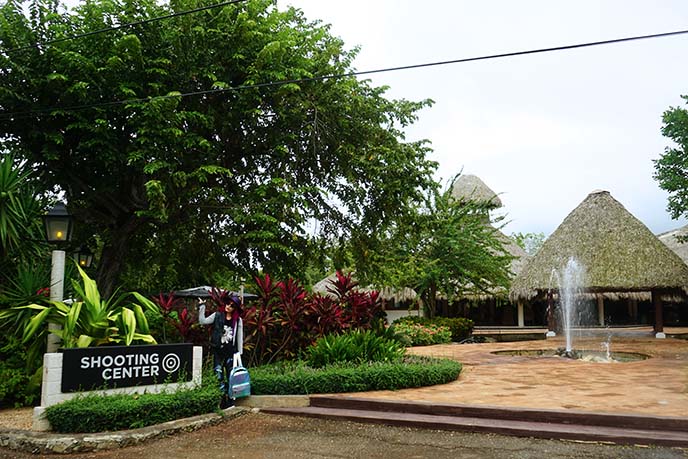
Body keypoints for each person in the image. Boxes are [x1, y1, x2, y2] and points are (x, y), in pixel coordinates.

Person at [198, 295, 243, 408]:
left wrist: (239, 353)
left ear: (235, 308)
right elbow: (202, 321)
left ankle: (231, 400)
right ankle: (222, 401)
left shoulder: (237, 320)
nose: (228, 307)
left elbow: (239, 337)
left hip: (231, 352)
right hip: (218, 350)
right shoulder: (217, 315)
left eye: (232, 306)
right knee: (218, 375)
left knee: (231, 376)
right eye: (228, 304)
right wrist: (202, 306)